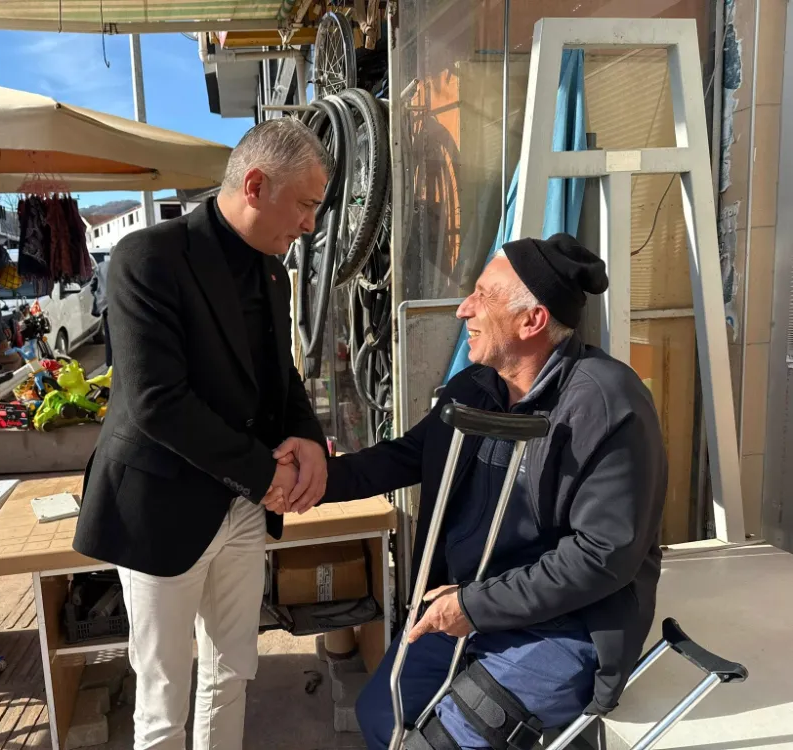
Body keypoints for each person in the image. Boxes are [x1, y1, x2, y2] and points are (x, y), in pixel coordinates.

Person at [270, 235, 669, 750]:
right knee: (380, 716)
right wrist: (313, 480)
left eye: (483, 295)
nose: (464, 309)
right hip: (470, 605)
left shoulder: (606, 404)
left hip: (563, 627)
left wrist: (474, 605)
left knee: (438, 743)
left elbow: (602, 557)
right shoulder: (475, 387)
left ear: (532, 321)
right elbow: (406, 456)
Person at [72, 118, 332, 750]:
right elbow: (157, 402)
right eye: (304, 204)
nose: (310, 225)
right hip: (160, 506)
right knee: (163, 695)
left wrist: (308, 437)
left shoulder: (273, 274)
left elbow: (280, 374)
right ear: (255, 185)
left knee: (232, 672)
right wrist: (268, 475)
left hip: (242, 507)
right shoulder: (148, 258)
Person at [89, 258, 111, 368]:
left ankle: (110, 364)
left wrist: (99, 296)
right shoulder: (122, 265)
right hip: (119, 305)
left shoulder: (101, 266)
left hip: (105, 306)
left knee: (109, 337)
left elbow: (92, 286)